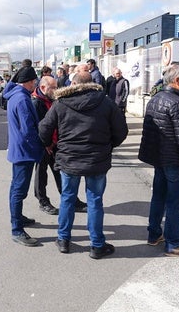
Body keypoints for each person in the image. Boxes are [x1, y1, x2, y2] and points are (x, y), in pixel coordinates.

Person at [38, 72, 128, 259]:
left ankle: (63, 240)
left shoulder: (61, 102)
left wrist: (49, 144)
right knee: (95, 200)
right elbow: (121, 131)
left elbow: (44, 128)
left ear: (73, 83)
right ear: (92, 83)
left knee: (67, 198)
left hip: (69, 159)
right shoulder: (105, 102)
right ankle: (96, 245)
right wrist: (108, 145)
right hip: (96, 160)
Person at [138, 64, 179, 257]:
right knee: (175, 203)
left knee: (158, 197)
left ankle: (154, 234)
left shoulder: (156, 98)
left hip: (160, 159)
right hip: (175, 161)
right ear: (177, 81)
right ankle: (173, 242)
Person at [32, 76, 87, 215]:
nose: (56, 90)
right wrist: (46, 144)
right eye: (54, 87)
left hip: (56, 143)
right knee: (41, 174)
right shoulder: (36, 102)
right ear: (43, 87)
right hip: (43, 145)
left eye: (57, 86)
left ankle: (71, 199)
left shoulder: (53, 99)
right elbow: (38, 127)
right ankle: (43, 201)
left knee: (61, 173)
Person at [3, 66, 45, 247]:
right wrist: (42, 147)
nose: (35, 83)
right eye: (34, 81)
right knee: (19, 190)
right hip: (25, 152)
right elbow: (29, 130)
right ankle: (17, 229)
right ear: (28, 82)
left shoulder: (15, 95)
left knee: (17, 188)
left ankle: (18, 217)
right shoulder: (22, 99)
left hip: (19, 150)